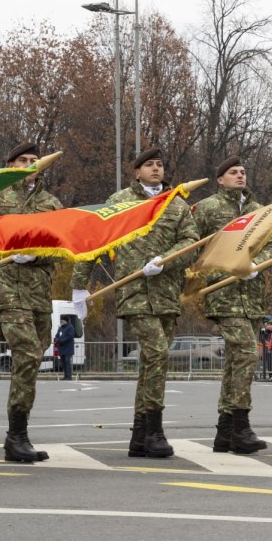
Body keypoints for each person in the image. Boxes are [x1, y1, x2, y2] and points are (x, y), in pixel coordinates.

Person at [71, 147, 198, 459]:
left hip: (167, 293)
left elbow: (192, 244)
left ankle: (139, 435)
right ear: (136, 171)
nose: (156, 169)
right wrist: (78, 286)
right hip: (134, 291)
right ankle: (155, 430)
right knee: (157, 353)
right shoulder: (119, 201)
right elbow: (93, 240)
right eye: (148, 165)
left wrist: (166, 260)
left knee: (151, 365)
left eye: (159, 165)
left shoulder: (176, 204)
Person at [0, 142, 62, 463]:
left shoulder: (50, 203)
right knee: (27, 352)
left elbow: (63, 245)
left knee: (34, 356)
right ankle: (16, 436)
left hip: (39, 291)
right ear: (10, 164)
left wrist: (39, 253)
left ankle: (19, 433)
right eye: (23, 160)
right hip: (6, 288)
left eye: (35, 159)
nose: (30, 164)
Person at [191, 156, 272, 455]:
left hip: (252, 294)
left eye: (243, 171)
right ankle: (241, 426)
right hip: (224, 292)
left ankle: (225, 430)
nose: (240, 176)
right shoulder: (207, 208)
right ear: (220, 178)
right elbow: (192, 243)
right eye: (233, 172)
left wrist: (258, 263)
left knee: (235, 361)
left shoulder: (259, 211)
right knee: (245, 352)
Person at [53, 316, 76, 381]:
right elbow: (57, 336)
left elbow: (70, 336)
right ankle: (65, 376)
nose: (61, 322)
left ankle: (69, 376)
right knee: (63, 363)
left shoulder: (70, 327)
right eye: (60, 321)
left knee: (67, 362)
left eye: (62, 321)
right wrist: (57, 340)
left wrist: (61, 341)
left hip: (68, 348)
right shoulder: (60, 328)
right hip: (61, 348)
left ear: (66, 321)